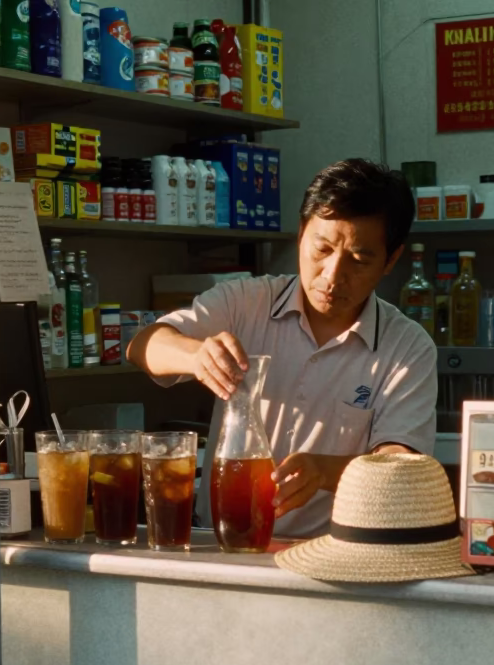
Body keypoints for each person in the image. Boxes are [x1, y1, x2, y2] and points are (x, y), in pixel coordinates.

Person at [127, 158, 438, 537]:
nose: (332, 276)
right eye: (321, 249)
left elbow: (401, 466)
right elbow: (144, 346)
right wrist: (196, 356)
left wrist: (324, 471)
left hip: (333, 553)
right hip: (222, 543)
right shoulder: (245, 301)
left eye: (358, 260)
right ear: (301, 234)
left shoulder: (406, 347)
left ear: (391, 260)